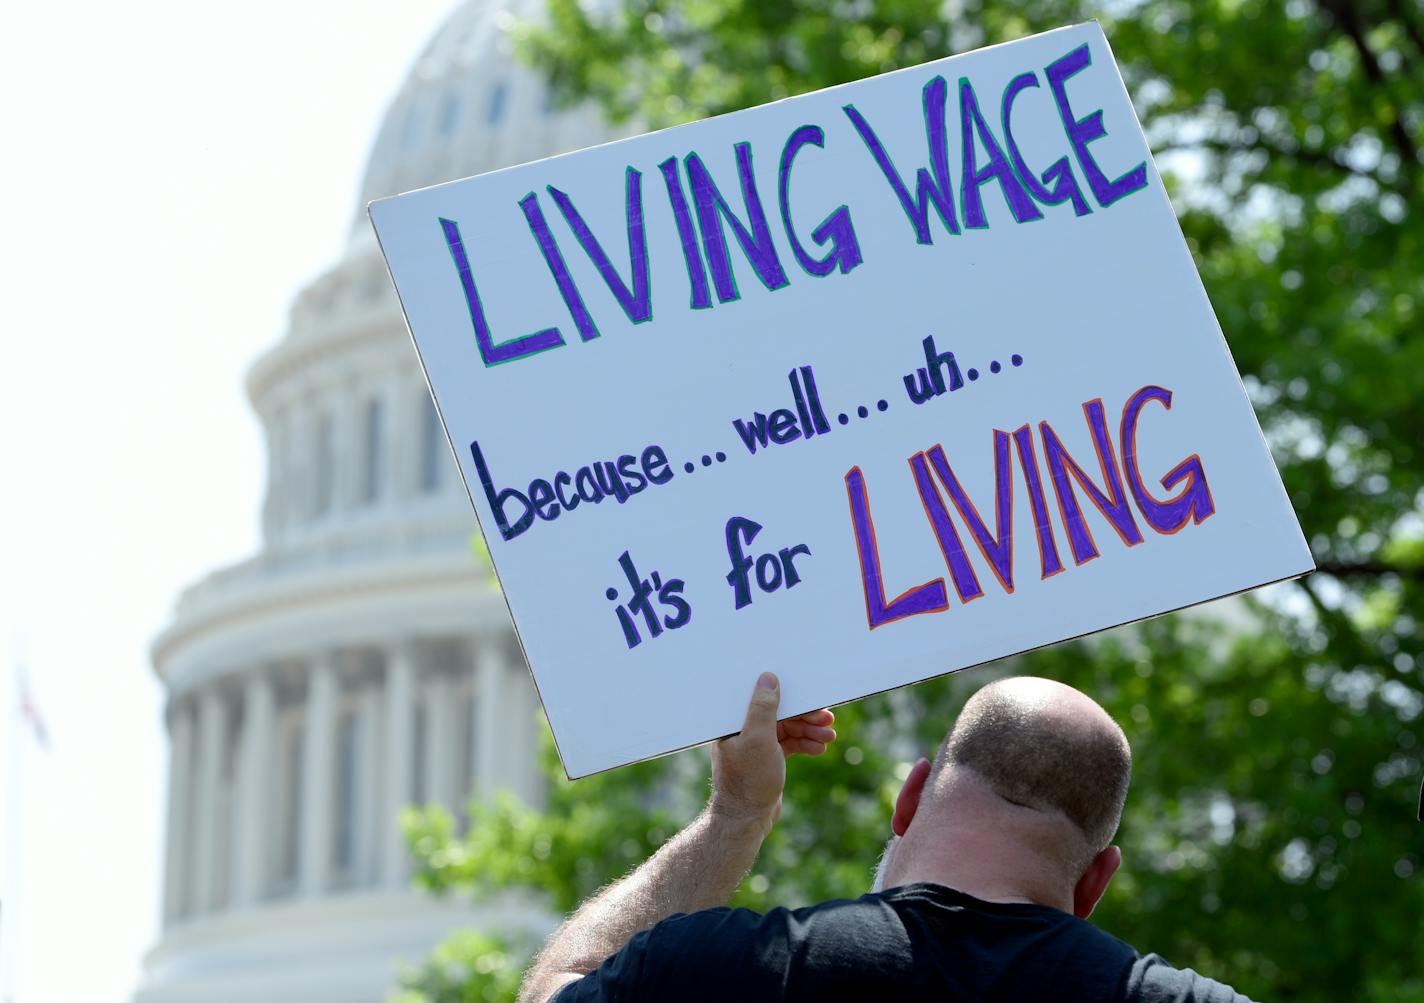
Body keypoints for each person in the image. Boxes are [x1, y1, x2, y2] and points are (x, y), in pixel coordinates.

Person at [519, 672, 1251, 1002]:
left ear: (909, 797)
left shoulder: (728, 969)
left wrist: (737, 814)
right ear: (1096, 881)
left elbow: (556, 990)